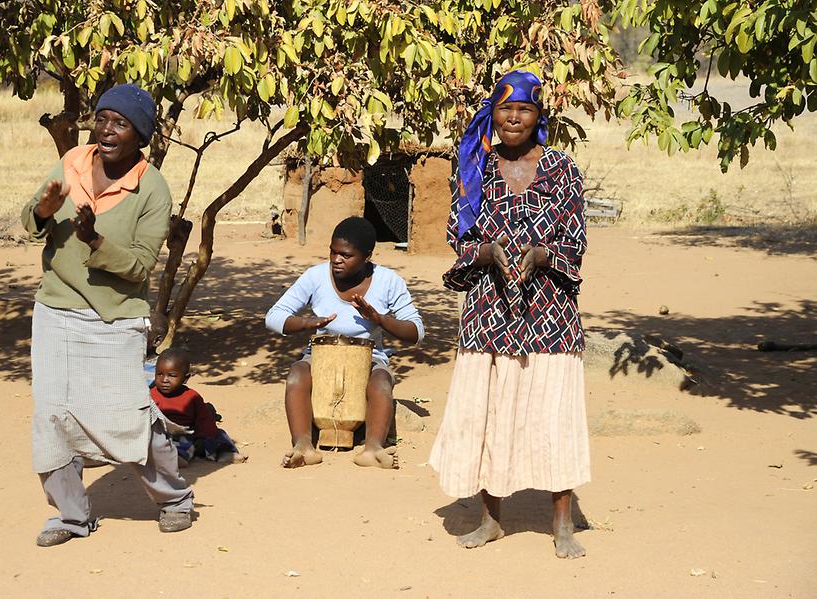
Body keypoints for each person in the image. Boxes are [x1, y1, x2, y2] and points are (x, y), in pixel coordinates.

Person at [22, 83, 194, 547]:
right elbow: (29, 218)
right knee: (52, 416)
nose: (106, 130)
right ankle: (72, 516)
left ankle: (174, 498)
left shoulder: (152, 188)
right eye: (101, 119)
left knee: (129, 417)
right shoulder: (73, 162)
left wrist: (96, 241)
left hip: (115, 317)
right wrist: (41, 211)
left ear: (140, 135)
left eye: (120, 124)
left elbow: (139, 264)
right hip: (56, 307)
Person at [428, 70, 591, 558]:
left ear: (539, 116)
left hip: (552, 315)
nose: (514, 117)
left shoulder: (562, 170)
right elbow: (460, 242)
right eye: (505, 108)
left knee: (554, 416)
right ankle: (491, 520)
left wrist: (541, 257)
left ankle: (562, 524)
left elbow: (575, 244)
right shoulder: (474, 168)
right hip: (488, 313)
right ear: (492, 115)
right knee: (490, 415)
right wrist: (486, 253)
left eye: (524, 108)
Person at [265, 217, 424, 469]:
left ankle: (373, 449)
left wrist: (379, 319)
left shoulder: (388, 281)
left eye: (346, 255)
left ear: (367, 256)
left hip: (371, 356)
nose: (336, 259)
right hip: (318, 355)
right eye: (333, 252)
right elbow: (273, 317)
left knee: (381, 382)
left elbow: (416, 332)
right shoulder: (315, 277)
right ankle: (303, 446)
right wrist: (308, 323)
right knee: (297, 374)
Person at [150, 347, 246, 467]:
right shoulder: (150, 395)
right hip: (159, 436)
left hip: (186, 435)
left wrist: (204, 437)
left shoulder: (192, 397)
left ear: (185, 378)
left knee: (219, 435)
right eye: (159, 374)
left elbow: (204, 420)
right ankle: (175, 458)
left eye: (171, 375)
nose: (164, 380)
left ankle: (225, 452)